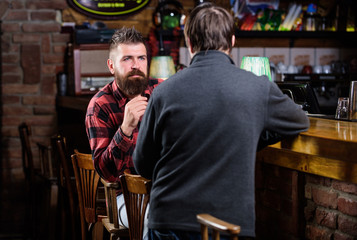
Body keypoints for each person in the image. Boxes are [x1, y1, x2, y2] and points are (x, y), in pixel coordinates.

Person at [133, 3, 310, 240]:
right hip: (226, 225)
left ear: (189, 42)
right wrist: (252, 133)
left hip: (168, 219)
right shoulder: (257, 87)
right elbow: (300, 121)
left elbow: (142, 164)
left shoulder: (163, 92)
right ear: (232, 42)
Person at [85, 27, 163, 237]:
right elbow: (106, 174)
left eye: (141, 58)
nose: (136, 66)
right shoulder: (99, 105)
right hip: (124, 198)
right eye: (127, 59)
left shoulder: (162, 91)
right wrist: (125, 129)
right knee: (156, 218)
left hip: (165, 190)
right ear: (111, 66)